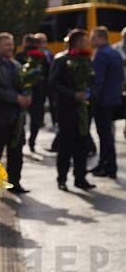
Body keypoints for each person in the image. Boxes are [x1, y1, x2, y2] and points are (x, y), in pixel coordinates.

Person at [0, 32, 31, 194]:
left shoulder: (16, 65)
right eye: (7, 44)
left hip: (16, 117)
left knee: (16, 151)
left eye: (12, 44)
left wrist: (27, 95)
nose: (11, 47)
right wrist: (17, 98)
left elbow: (24, 85)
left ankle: (15, 183)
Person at [48, 29, 96, 190]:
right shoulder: (61, 59)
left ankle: (80, 178)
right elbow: (53, 83)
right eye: (84, 40)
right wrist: (73, 94)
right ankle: (62, 179)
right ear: (75, 42)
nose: (87, 43)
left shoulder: (86, 60)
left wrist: (87, 93)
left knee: (82, 145)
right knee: (65, 146)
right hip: (66, 109)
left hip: (83, 110)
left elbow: (91, 80)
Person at [90, 26, 125, 179]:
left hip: (103, 102)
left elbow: (98, 81)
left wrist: (92, 100)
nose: (91, 41)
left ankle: (108, 167)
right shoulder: (116, 53)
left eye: (93, 38)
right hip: (114, 99)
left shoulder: (101, 54)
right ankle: (105, 164)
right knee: (107, 135)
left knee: (105, 136)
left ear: (100, 38)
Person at [15, 34, 45, 154]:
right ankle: (32, 142)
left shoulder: (19, 56)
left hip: (22, 93)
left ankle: (20, 141)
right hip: (38, 94)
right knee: (35, 120)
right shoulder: (41, 57)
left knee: (21, 119)